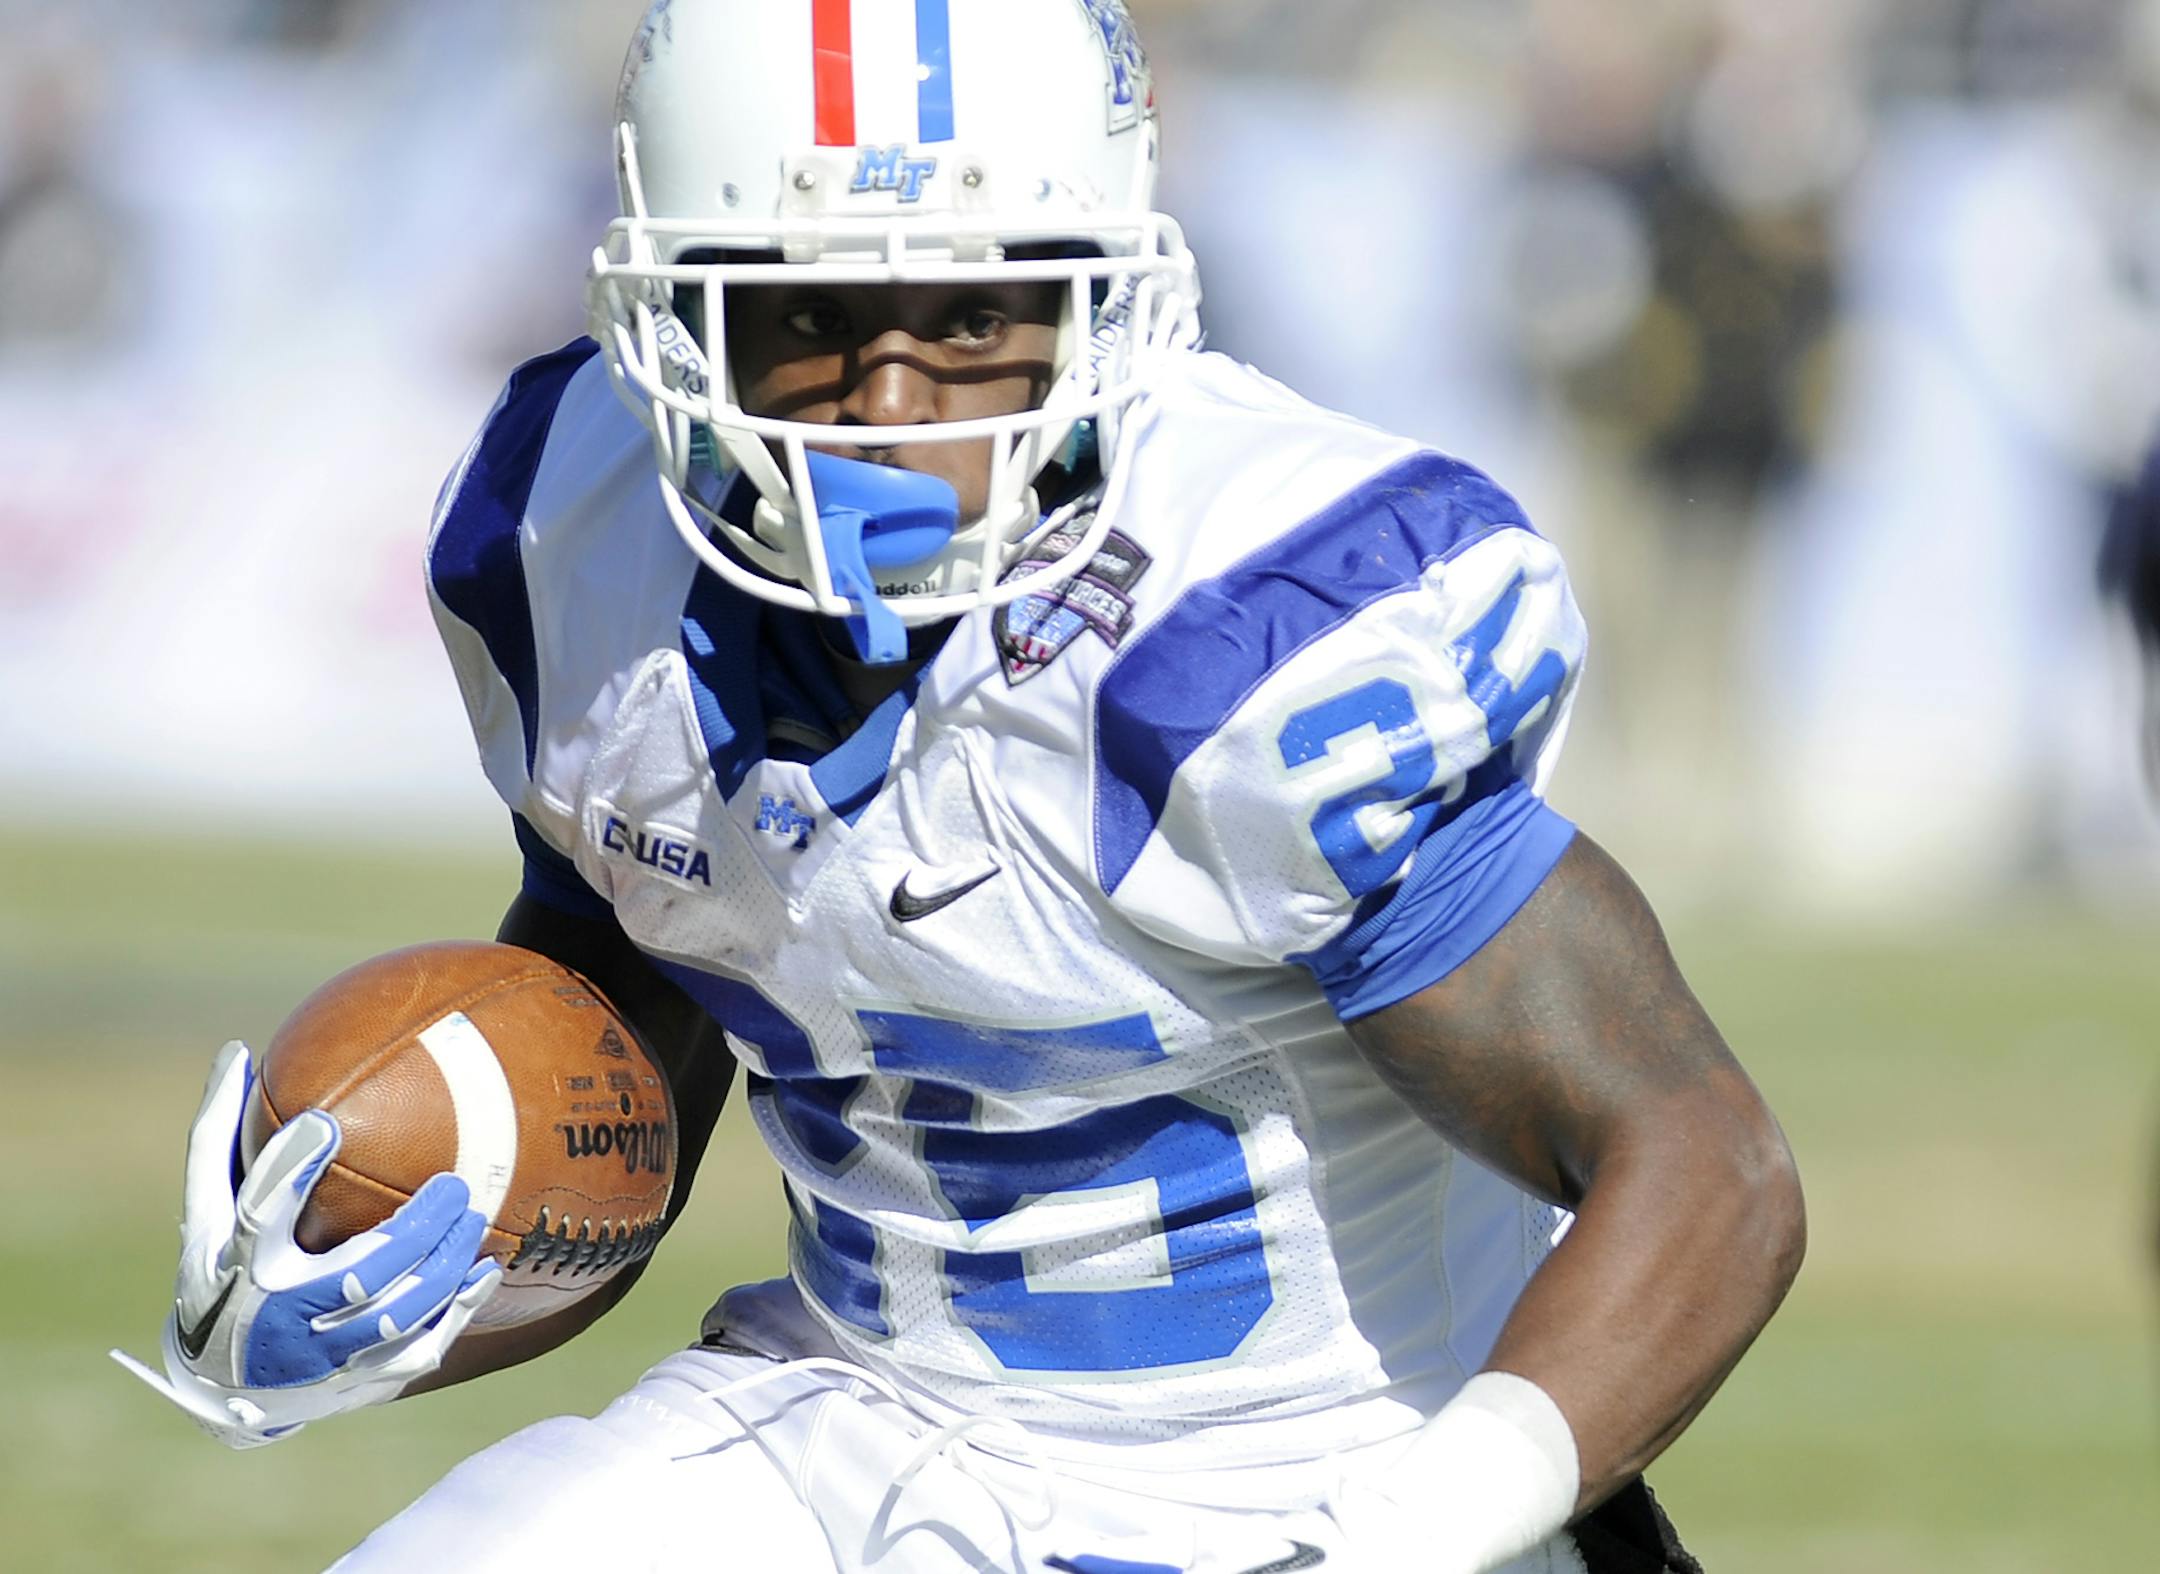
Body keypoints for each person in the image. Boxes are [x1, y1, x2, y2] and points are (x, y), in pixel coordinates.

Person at [117, 3, 1804, 1570]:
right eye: (805, 314)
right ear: (666, 309)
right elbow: (619, 1080)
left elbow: (1703, 1162)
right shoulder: (581, 544)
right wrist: (385, 1278)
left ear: (1106, 298)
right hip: (859, 1420)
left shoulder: (1248, 632)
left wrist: (1430, 1521)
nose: (896, 398)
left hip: (1307, 1489)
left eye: (979, 313)